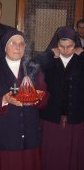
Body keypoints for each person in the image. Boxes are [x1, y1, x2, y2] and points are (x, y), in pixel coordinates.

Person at [0, 30, 49, 170]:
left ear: (25, 47)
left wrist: (36, 98)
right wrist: (4, 99)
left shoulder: (34, 68)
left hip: (30, 130)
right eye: (13, 43)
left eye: (21, 44)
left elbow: (45, 96)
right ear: (5, 47)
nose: (18, 47)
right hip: (5, 131)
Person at [38, 26, 84, 170]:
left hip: (75, 118)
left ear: (75, 45)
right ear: (56, 45)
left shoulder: (81, 61)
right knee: (51, 157)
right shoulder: (49, 60)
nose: (65, 50)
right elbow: (31, 68)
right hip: (51, 118)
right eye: (61, 46)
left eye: (70, 46)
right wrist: (49, 55)